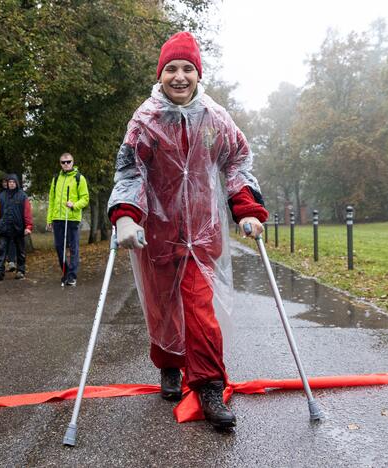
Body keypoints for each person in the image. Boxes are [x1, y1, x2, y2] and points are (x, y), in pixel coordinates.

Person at [107, 32, 268, 430]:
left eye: (187, 69)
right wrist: (126, 215)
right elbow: (131, 171)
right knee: (163, 312)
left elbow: (237, 162)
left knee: (200, 312)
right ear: (160, 75)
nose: (179, 77)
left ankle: (210, 386)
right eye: (171, 69)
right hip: (157, 236)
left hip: (202, 232)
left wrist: (246, 209)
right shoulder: (145, 119)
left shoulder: (216, 119)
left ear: (198, 74)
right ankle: (169, 366)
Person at [46, 153, 90, 286]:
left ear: (72, 162)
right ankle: (65, 271)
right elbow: (52, 200)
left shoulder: (79, 178)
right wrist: (49, 219)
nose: (66, 164)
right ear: (60, 163)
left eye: (68, 162)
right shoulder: (56, 179)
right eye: (63, 162)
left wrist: (74, 205)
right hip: (58, 218)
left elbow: (85, 198)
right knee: (59, 247)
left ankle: (72, 276)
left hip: (72, 217)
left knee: (73, 247)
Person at [0, 174, 32, 280]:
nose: (11, 184)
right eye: (9, 182)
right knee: (1, 250)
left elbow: (27, 212)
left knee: (20, 251)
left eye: (13, 182)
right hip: (4, 227)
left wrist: (28, 226)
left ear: (16, 183)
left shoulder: (22, 196)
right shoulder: (2, 196)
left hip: (18, 227)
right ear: (7, 184)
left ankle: (20, 271)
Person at [0, 175, 17, 272]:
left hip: (14, 223)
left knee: (12, 242)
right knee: (2, 245)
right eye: (4, 182)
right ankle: (0, 267)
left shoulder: (17, 193)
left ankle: (11, 261)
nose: (6, 184)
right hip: (2, 223)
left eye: (7, 182)